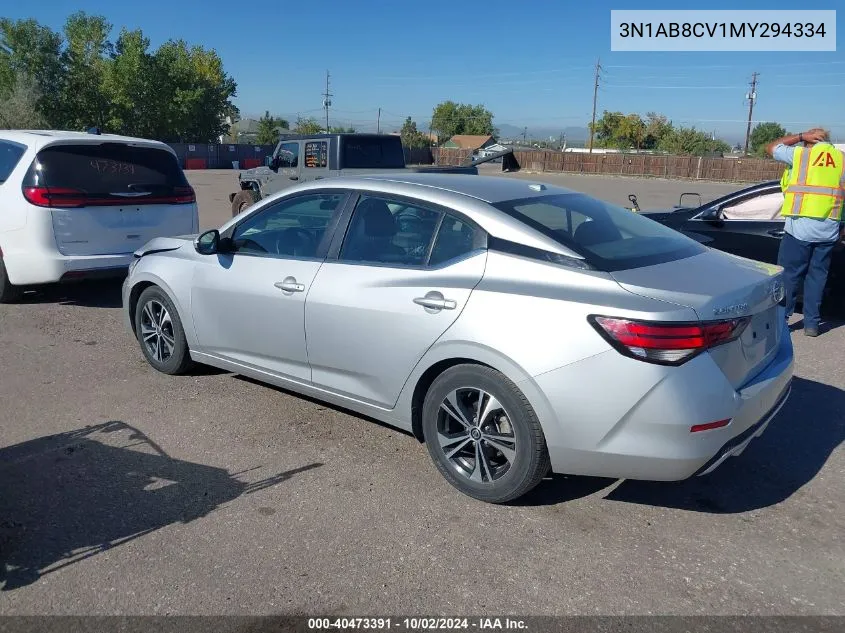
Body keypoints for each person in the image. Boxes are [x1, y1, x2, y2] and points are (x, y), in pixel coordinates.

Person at [766, 128, 845, 337]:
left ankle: (782, 320)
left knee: (790, 276)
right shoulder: (842, 159)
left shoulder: (802, 154)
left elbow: (771, 147)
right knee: (817, 277)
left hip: (799, 228)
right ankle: (811, 324)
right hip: (828, 228)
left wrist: (800, 136)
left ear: (811, 140)